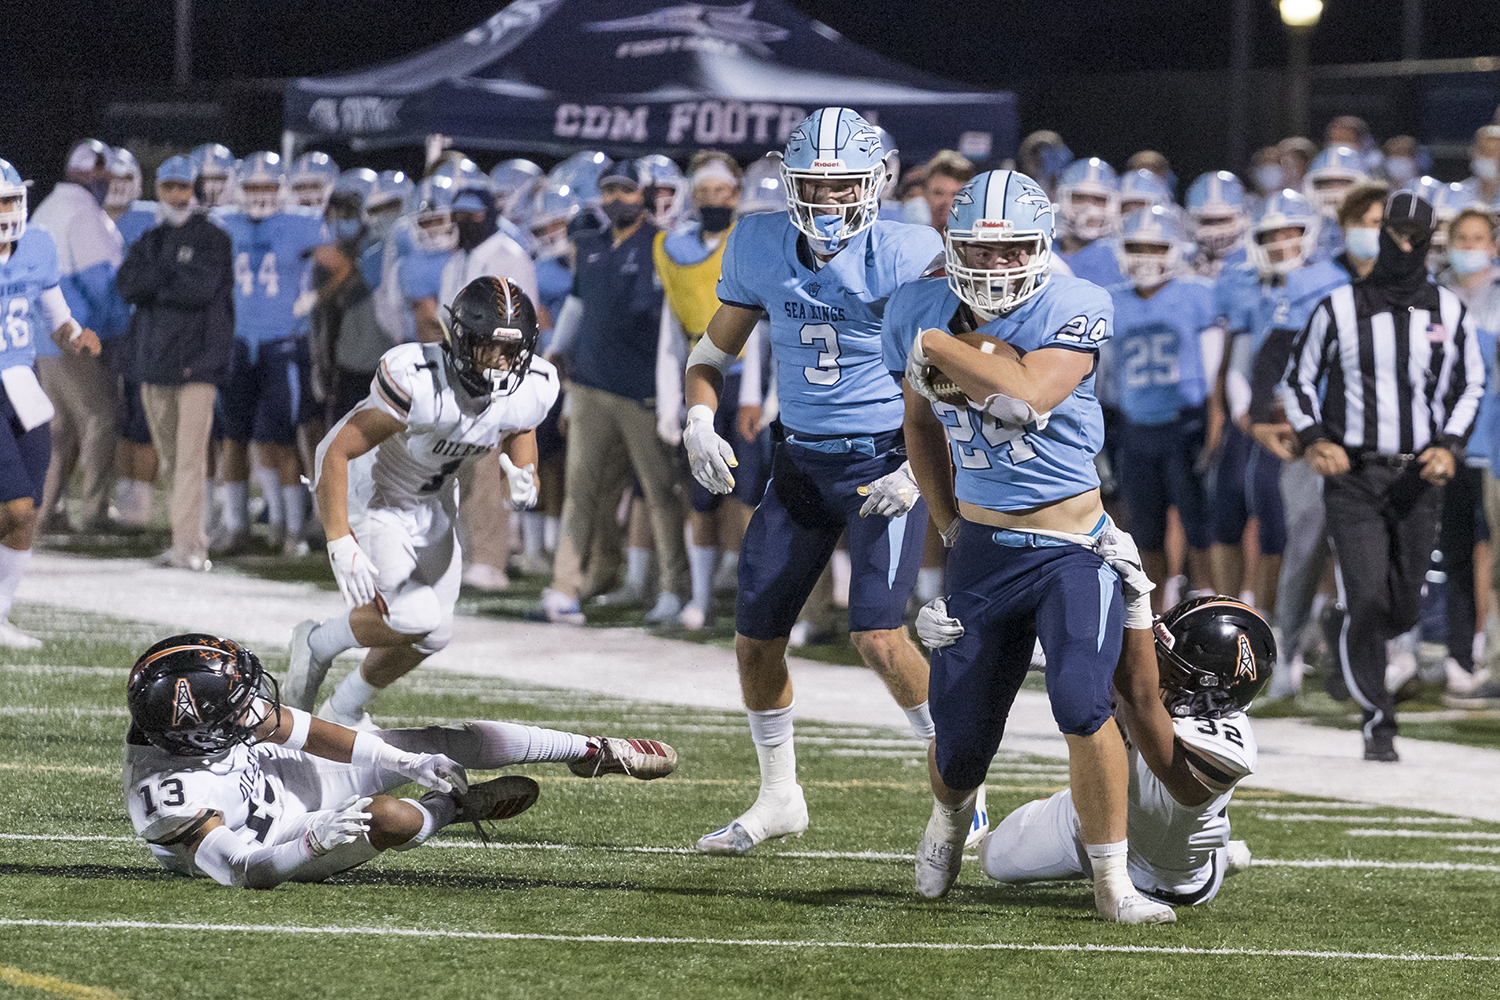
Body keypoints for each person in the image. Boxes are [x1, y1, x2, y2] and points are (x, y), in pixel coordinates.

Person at [882, 168, 1174, 923]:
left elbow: (1027, 398)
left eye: (1014, 250)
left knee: (1083, 701)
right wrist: (947, 526)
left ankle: (1113, 881)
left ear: (1041, 248)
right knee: (962, 742)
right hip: (982, 545)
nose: (999, 265)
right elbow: (918, 426)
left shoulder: (1075, 302)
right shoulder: (916, 304)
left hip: (1073, 546)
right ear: (953, 250)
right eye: (982, 250)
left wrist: (937, 342)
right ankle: (949, 817)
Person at [683, 108, 941, 856]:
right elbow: (711, 353)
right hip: (799, 460)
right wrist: (701, 419)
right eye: (815, 185)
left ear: (876, 185)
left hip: (881, 460)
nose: (828, 201)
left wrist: (919, 467)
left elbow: (954, 367)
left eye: (843, 186)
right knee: (754, 642)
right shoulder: (761, 241)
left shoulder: (907, 251)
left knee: (879, 638)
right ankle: (779, 797)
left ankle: (963, 787)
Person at [124, 633, 676, 889]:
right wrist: (311, 842)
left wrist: (403, 759)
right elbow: (244, 871)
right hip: (278, 838)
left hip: (276, 777)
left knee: (435, 739)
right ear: (196, 735)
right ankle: (451, 811)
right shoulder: (169, 799)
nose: (255, 707)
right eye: (237, 707)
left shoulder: (191, 726)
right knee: (391, 816)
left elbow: (307, 731)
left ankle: (590, 751)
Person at [285, 277, 557, 726]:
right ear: (461, 340)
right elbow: (335, 449)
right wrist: (339, 538)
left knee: (435, 633)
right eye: (489, 347)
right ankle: (316, 644)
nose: (501, 362)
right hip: (375, 492)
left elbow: (521, 426)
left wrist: (524, 477)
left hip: (433, 501)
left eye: (511, 351)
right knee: (413, 615)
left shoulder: (533, 385)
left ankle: (342, 711)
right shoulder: (418, 380)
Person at [1281, 190, 1485, 761]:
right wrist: (1315, 438)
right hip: (1354, 475)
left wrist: (1449, 445)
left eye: (1413, 237)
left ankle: (1342, 624)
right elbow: (1297, 380)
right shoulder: (1338, 307)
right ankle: (1378, 722)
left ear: (1427, 242)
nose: (1401, 244)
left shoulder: (1448, 310)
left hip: (1419, 475)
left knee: (1403, 609)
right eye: (1392, 231)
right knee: (1370, 596)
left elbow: (1472, 383)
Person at [977, 594, 1273, 910]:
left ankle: (1215, 853)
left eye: (1169, 666)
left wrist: (1134, 603)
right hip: (1094, 809)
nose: (1153, 663)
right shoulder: (1158, 690)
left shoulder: (1225, 743)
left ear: (1207, 688)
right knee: (991, 858)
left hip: (1164, 878)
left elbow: (1140, 698)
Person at [539, 158, 689, 626]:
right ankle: (567, 585)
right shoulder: (590, 244)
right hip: (589, 385)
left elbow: (672, 325)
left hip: (643, 389)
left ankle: (673, 589)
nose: (615, 199)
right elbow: (578, 305)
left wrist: (672, 398)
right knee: (580, 491)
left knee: (659, 493)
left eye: (624, 190)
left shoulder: (663, 245)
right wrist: (557, 353)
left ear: (642, 193)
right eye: (608, 191)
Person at [1247, 185, 1382, 699]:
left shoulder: (1410, 284)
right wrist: (1262, 418)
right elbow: (1272, 355)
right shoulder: (1313, 282)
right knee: (1305, 549)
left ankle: (1370, 653)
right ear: (1344, 226)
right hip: (1319, 435)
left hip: (1388, 438)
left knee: (1382, 555)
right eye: (1364, 221)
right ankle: (1290, 652)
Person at [654, 151, 765, 629]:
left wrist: (755, 396)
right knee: (701, 494)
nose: (714, 201)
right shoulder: (674, 249)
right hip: (703, 375)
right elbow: (671, 333)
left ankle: (742, 597)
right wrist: (668, 401)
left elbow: (757, 327)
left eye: (722, 192)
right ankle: (698, 598)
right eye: (704, 194)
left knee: (745, 494)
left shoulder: (748, 241)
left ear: (737, 195)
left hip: (740, 375)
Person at [0, 157, 102, 646]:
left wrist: (75, 335)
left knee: (31, 506)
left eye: (11, 200)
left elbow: (55, 312)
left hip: (23, 381)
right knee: (15, 506)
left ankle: (0, 614)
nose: (6, 211)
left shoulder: (36, 244)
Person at [116, 155, 235, 572]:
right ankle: (182, 537)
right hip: (154, 362)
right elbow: (128, 285)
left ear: (193, 190)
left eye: (183, 187)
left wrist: (157, 282)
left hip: (197, 363)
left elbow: (198, 290)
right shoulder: (150, 238)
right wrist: (167, 278)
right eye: (169, 187)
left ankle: (190, 545)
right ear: (159, 189)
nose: (177, 194)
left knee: (189, 458)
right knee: (169, 457)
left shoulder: (213, 239)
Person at [212, 152, 329, 557]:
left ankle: (294, 528)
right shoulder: (222, 222)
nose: (260, 195)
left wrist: (317, 295)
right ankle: (236, 526)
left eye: (268, 187)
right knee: (233, 439)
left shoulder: (302, 224)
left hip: (283, 344)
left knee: (282, 439)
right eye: (253, 187)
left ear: (281, 190)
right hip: (238, 344)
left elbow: (341, 260)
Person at [1109, 205, 1221, 609]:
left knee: (1200, 524)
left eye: (1156, 246)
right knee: (1144, 529)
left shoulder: (1198, 295)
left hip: (1184, 425)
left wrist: (1214, 431)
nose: (1145, 256)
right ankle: (1151, 612)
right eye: (1136, 246)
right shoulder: (1111, 300)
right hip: (1135, 426)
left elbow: (1216, 376)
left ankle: (1210, 603)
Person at [31, 139, 124, 534]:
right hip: (72, 332)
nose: (106, 181)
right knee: (101, 415)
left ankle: (48, 509)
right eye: (101, 173)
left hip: (40, 334)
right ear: (90, 174)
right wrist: (120, 328)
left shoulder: (47, 207)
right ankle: (95, 510)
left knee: (60, 427)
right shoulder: (82, 212)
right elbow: (99, 282)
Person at [1439, 208, 1500, 696]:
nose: (1470, 245)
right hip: (1446, 444)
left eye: (1478, 237)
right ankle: (1460, 656)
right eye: (1463, 237)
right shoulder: (1431, 298)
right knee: (1458, 552)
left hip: (1492, 443)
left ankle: (1485, 652)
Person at [1055, 157, 1123, 288]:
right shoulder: (1044, 247)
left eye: (1099, 199)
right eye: (1079, 198)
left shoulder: (1120, 257)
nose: (1089, 208)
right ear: (1062, 198)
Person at [1184, 171, 1249, 278]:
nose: (1216, 231)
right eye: (1207, 221)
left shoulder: (1255, 263)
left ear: (1242, 218)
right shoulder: (1181, 264)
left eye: (1223, 220)